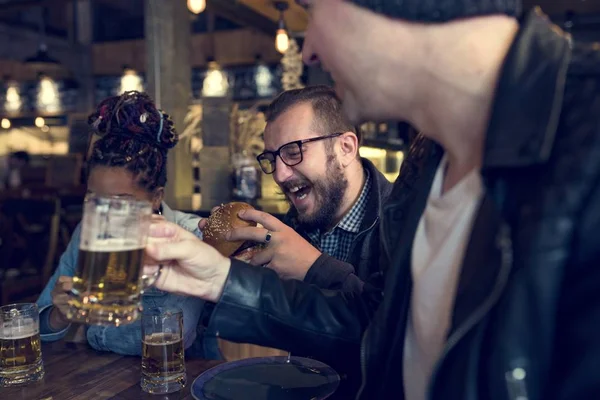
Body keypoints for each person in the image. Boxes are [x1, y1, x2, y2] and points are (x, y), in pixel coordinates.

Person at [145, 1, 600, 399]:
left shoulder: (586, 145)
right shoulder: (428, 165)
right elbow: (377, 332)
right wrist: (220, 279)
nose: (309, 50)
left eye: (315, 7)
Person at [37, 91, 208, 357]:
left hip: (181, 380)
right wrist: (59, 316)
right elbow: (38, 326)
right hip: (103, 381)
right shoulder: (88, 231)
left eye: (122, 202)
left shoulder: (192, 236)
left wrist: (91, 331)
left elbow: (172, 339)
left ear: (155, 198)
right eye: (95, 200)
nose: (106, 215)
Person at [216, 85, 392, 292]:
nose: (279, 175)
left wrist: (314, 269)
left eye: (293, 153)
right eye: (271, 159)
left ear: (346, 148)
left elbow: (394, 321)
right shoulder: (289, 228)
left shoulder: (407, 227)